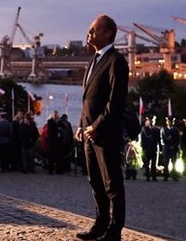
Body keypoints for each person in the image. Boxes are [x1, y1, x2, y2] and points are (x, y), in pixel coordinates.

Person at [76, 15, 128, 241]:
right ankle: (100, 224)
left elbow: (115, 102)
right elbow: (87, 99)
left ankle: (115, 231)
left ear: (108, 33)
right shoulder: (93, 60)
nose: (88, 33)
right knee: (95, 182)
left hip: (105, 134)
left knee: (111, 184)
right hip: (88, 134)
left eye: (93, 30)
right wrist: (81, 125)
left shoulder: (117, 61)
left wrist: (96, 126)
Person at [140, 117, 161, 182]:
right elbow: (143, 140)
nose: (150, 122)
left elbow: (158, 139)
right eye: (148, 121)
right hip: (147, 148)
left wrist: (160, 148)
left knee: (153, 163)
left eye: (151, 121)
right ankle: (147, 176)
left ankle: (154, 176)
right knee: (147, 163)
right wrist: (143, 148)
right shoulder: (144, 130)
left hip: (153, 148)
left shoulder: (156, 129)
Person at [161, 117, 180, 181]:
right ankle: (165, 176)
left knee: (174, 162)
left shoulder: (176, 130)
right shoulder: (164, 129)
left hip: (174, 148)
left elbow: (178, 139)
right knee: (166, 163)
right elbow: (163, 139)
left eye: (171, 121)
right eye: (168, 121)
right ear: (166, 122)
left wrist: (174, 146)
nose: (169, 123)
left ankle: (174, 175)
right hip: (167, 148)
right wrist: (168, 145)